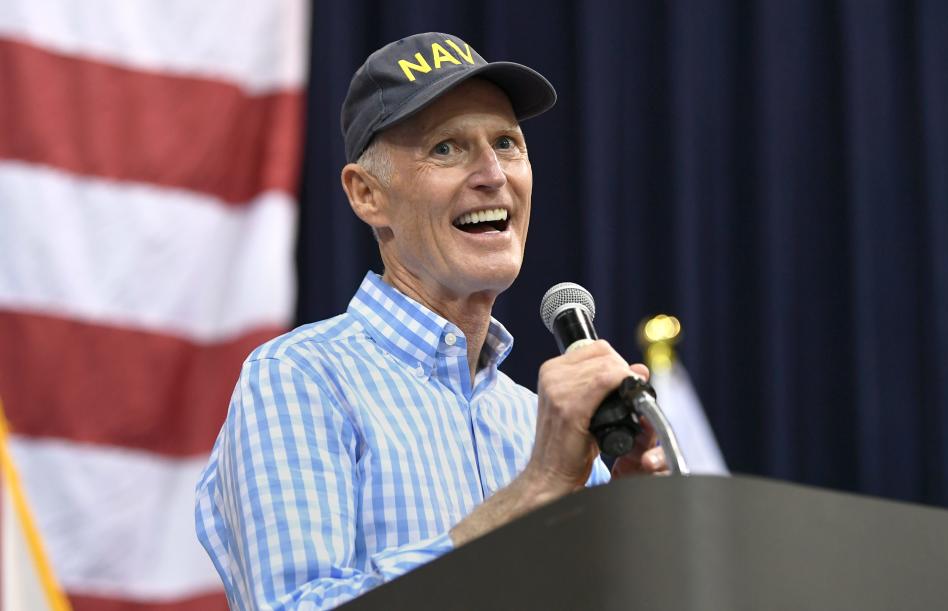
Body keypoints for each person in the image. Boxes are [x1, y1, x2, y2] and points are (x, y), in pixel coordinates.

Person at [195, 32, 667, 610]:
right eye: (446, 148)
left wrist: (629, 533)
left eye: (507, 142)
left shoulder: (535, 422)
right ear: (368, 195)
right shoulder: (299, 379)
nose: (493, 174)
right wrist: (534, 492)